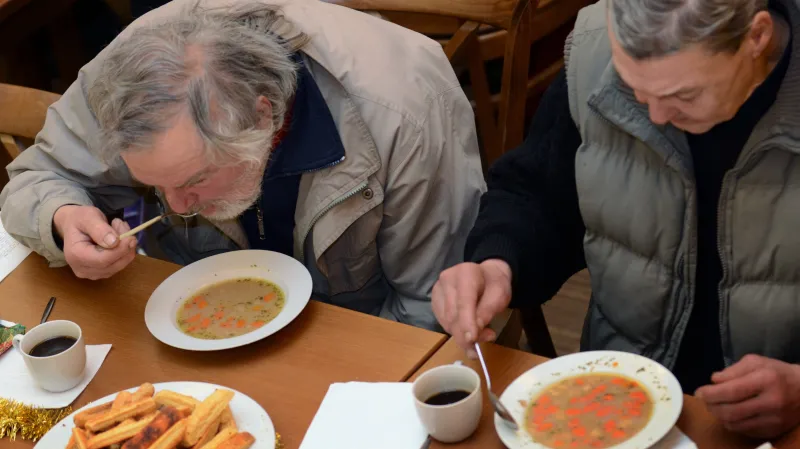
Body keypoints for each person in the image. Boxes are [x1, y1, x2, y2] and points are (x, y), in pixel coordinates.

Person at [433, 0, 800, 439]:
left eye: (683, 95)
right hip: (614, 401)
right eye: (634, 89)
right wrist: (497, 263)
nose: (656, 118)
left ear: (757, 37)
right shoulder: (595, 55)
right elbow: (536, 194)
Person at [0, 0, 486, 331]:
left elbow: (429, 308)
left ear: (262, 115)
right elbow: (38, 177)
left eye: (195, 180)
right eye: (156, 186)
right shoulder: (130, 72)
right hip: (204, 327)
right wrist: (62, 218)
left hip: (357, 337)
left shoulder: (404, 114)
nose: (176, 207)